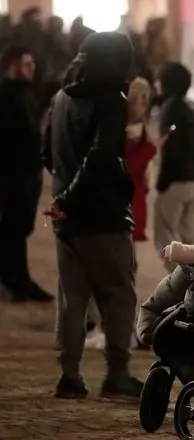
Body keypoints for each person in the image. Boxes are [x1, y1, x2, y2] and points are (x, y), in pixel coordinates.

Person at [43, 32, 144, 400]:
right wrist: (74, 195)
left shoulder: (59, 98)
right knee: (118, 292)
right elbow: (101, 157)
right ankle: (117, 374)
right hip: (101, 215)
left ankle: (69, 375)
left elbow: (46, 154)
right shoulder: (110, 101)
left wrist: (63, 198)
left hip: (66, 217)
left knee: (72, 297)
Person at [0, 44, 53, 302]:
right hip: (12, 174)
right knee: (10, 227)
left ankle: (19, 278)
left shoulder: (26, 93)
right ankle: (11, 281)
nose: (33, 69)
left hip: (27, 172)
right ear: (13, 65)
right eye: (27, 64)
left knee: (19, 228)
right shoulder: (6, 95)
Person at [153, 62, 194, 272]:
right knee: (191, 236)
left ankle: (179, 281)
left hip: (178, 179)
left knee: (164, 234)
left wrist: (162, 182)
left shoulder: (170, 109)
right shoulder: (192, 107)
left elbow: (171, 148)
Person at [124, 77, 158, 242]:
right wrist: (150, 149)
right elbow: (130, 165)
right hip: (131, 188)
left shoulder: (140, 120)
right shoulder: (126, 122)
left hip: (138, 186)